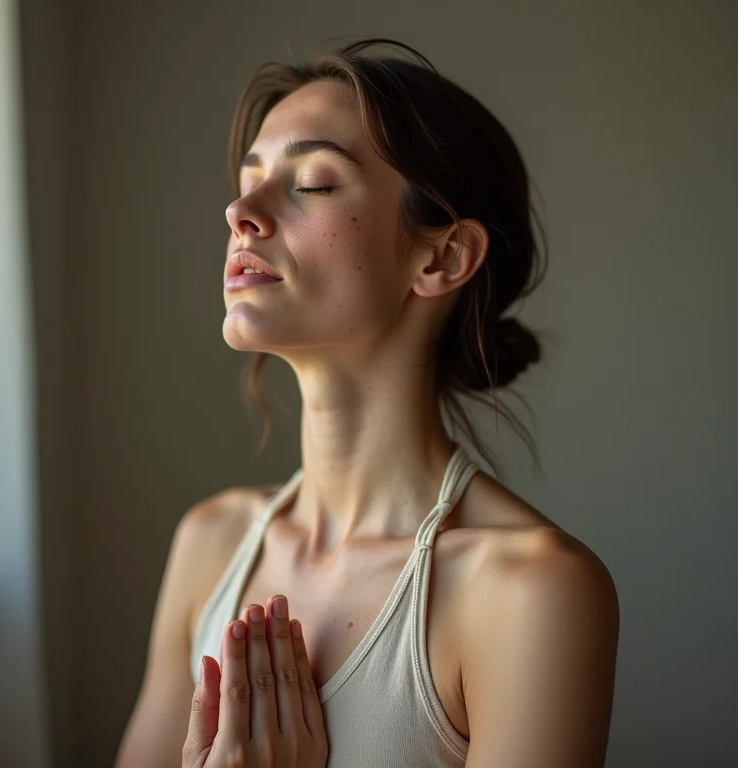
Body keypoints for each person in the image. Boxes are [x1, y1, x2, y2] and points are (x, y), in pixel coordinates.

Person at [116, 37, 620, 768]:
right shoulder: (210, 544)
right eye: (249, 180)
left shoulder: (531, 593)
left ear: (442, 257)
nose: (239, 210)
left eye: (313, 182)